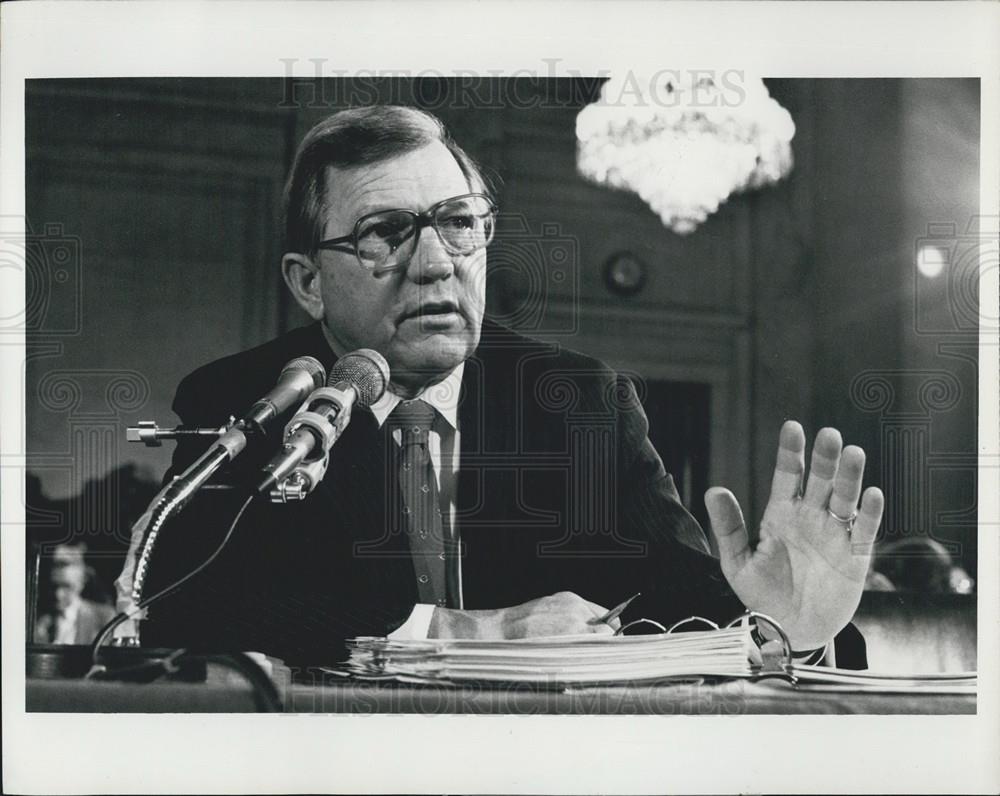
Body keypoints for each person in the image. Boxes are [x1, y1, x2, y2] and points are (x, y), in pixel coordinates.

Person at [137, 105, 883, 668]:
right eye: (385, 233)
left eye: (459, 223)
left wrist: (787, 629)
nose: (435, 263)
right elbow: (181, 604)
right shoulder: (249, 399)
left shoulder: (578, 402)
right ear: (308, 282)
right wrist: (461, 633)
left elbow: (684, 604)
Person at [35, 543, 116, 645]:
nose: (58, 594)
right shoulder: (36, 619)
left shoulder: (104, 618)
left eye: (67, 586)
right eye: (54, 586)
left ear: (82, 583)